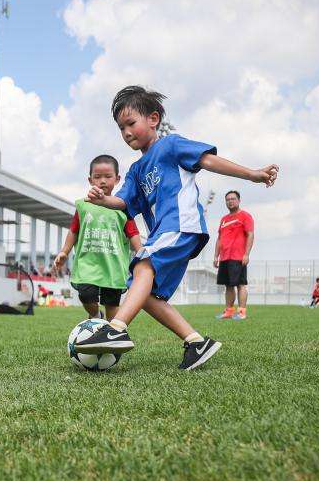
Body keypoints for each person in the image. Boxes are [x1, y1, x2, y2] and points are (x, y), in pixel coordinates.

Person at [73, 86, 278, 370]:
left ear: (153, 119)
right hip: (165, 234)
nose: (127, 132)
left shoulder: (170, 146)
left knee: (142, 264)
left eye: (131, 123)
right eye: (121, 128)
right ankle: (196, 343)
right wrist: (104, 199)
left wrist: (252, 174)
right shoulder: (134, 171)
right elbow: (123, 202)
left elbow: (208, 161)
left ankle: (116, 327)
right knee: (145, 294)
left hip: (181, 225)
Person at [54, 154, 142, 320]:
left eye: (108, 177)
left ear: (117, 179)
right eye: (97, 177)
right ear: (90, 180)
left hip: (113, 266)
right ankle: (95, 315)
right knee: (86, 295)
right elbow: (74, 229)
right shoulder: (83, 206)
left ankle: (110, 330)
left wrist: (140, 252)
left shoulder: (121, 207)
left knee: (112, 304)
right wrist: (64, 251)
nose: (102, 181)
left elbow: (132, 232)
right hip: (88, 264)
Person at [213, 190, 254, 320]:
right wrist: (216, 256)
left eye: (233, 199)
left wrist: (246, 254)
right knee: (228, 285)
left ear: (239, 200)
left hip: (238, 257)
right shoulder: (224, 220)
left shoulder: (245, 216)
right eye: (228, 199)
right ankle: (229, 312)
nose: (230, 201)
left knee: (240, 284)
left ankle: (241, 312)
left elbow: (250, 235)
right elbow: (219, 239)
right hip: (225, 258)